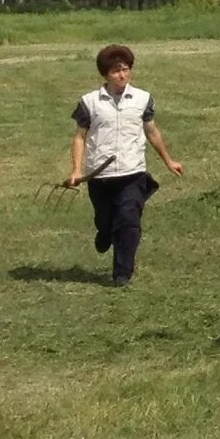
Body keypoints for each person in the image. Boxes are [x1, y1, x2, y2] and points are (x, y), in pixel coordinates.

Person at [63, 43, 182, 286]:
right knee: (106, 220)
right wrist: (77, 169)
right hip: (100, 176)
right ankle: (105, 232)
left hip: (133, 173)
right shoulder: (89, 102)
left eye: (126, 69)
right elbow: (79, 137)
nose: (122, 75)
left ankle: (122, 273)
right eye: (116, 71)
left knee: (128, 221)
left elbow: (151, 131)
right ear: (105, 74)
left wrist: (169, 161)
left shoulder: (142, 99)